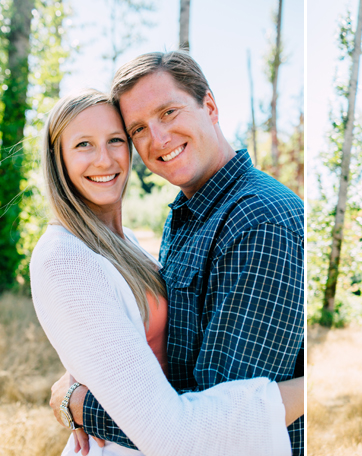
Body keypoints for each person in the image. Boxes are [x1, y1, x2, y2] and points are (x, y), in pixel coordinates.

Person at [47, 51, 305, 455]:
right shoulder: (188, 214)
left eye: (168, 112)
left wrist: (81, 405)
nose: (158, 139)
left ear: (211, 106)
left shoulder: (259, 221)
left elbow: (218, 433)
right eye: (138, 130)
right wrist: (88, 366)